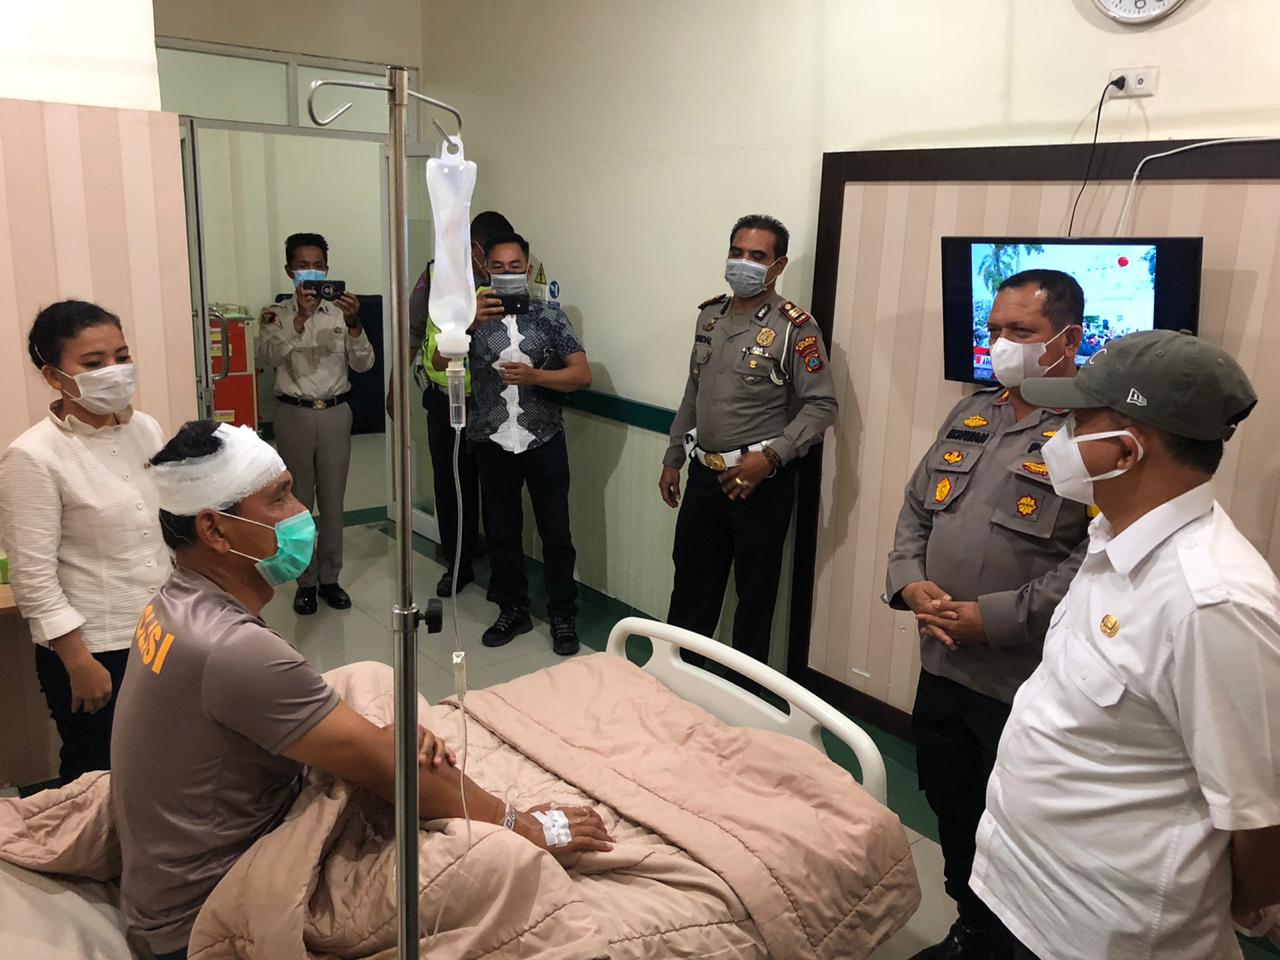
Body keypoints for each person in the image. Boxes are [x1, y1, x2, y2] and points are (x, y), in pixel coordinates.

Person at [111, 420, 613, 960]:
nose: (302, 512)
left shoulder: (172, 603)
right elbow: (395, 770)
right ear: (215, 530)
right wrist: (521, 825)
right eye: (279, 498)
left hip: (181, 870)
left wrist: (385, 746)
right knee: (499, 861)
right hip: (204, 915)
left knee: (368, 676)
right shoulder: (233, 650)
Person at [971, 331, 1280, 960]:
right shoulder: (1113, 537)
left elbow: (1261, 818)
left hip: (1103, 933)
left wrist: (1228, 902)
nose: (1057, 438)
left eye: (1077, 422)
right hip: (1020, 889)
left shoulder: (1212, 604)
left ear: (1125, 449)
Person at [886, 269, 1093, 960]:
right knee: (952, 809)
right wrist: (911, 584)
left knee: (1016, 832)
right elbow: (917, 508)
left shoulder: (1094, 431)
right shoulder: (973, 413)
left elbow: (1095, 558)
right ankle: (970, 932)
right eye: (995, 329)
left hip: (1020, 683)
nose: (1002, 343)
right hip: (942, 664)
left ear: (1069, 339)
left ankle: (1008, 945)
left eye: (1022, 331)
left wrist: (998, 618)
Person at [0, 300, 169, 784]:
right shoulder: (33, 456)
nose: (114, 371)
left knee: (163, 763)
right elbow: (33, 578)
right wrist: (78, 661)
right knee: (100, 774)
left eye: (122, 356)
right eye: (94, 363)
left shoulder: (146, 428)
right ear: (54, 376)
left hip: (159, 630)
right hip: (97, 649)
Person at [660, 214, 837, 671]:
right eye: (737, 252)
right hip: (704, 474)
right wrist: (673, 456)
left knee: (754, 599)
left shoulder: (795, 327)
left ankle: (742, 696)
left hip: (758, 483)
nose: (744, 263)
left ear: (777, 266)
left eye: (757, 256)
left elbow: (822, 406)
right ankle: (677, 683)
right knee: (691, 588)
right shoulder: (709, 316)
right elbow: (694, 391)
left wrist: (772, 458)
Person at [439, 233, 591, 654]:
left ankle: (563, 614)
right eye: (498, 267)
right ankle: (512, 608)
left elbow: (581, 375)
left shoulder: (550, 317)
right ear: (486, 270)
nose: (507, 274)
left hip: (543, 438)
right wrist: (468, 325)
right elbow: (438, 361)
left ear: (528, 269)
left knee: (555, 532)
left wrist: (536, 377)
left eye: (515, 266)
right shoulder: (469, 316)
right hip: (491, 439)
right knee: (502, 532)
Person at [393, 211, 512, 597]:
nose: (494, 267)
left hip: (492, 403)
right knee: (450, 485)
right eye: (489, 257)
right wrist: (396, 386)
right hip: (445, 400)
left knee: (495, 488)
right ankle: (457, 564)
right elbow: (413, 333)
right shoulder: (435, 280)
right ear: (475, 249)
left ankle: (501, 573)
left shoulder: (505, 287)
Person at [258, 232, 374, 616]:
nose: (311, 272)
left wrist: (355, 324)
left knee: (334, 501)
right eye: (303, 265)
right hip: (293, 413)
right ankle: (305, 582)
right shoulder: (275, 314)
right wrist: (300, 319)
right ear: (289, 270)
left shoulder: (341, 312)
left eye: (318, 265)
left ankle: (330, 578)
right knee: (298, 503)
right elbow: (268, 355)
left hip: (336, 412)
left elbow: (364, 364)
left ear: (327, 268)